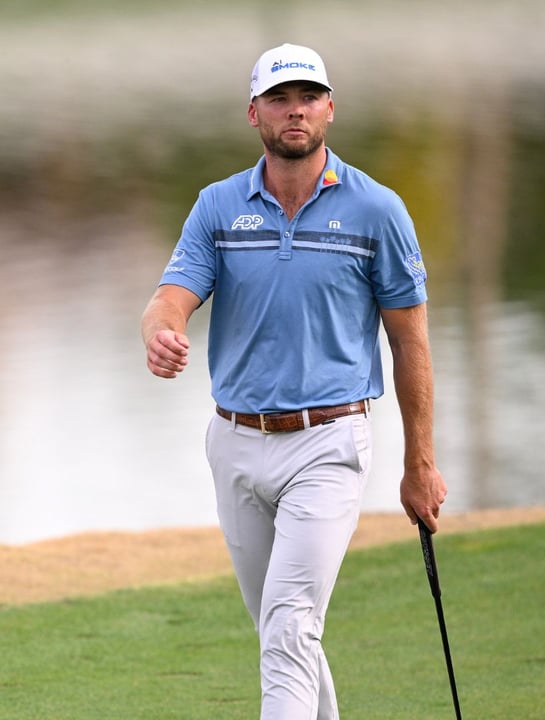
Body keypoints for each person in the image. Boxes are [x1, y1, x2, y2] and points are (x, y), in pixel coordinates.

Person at [140, 42, 447, 719]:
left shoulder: (378, 211)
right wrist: (160, 332)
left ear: (330, 108)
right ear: (254, 113)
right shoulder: (218, 207)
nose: (295, 110)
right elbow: (172, 296)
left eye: (308, 97)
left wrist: (419, 463)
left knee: (288, 624)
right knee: (285, 629)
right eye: (280, 98)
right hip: (235, 443)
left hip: (329, 442)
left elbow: (410, 339)